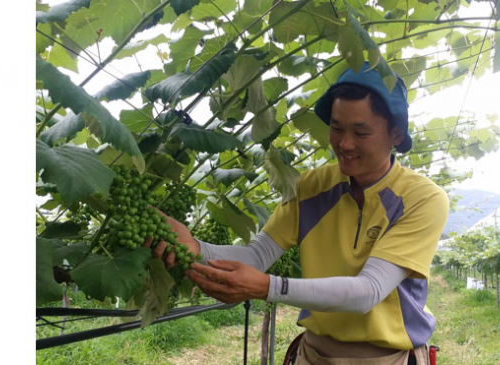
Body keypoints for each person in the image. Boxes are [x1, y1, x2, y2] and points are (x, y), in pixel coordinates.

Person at [152, 62, 449, 364]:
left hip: (388, 358)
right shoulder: (309, 187)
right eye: (336, 128)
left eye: (361, 132)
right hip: (315, 353)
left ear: (396, 135)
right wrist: (197, 248)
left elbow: (368, 291)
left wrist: (267, 287)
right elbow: (257, 256)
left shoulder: (422, 199)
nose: (344, 143)